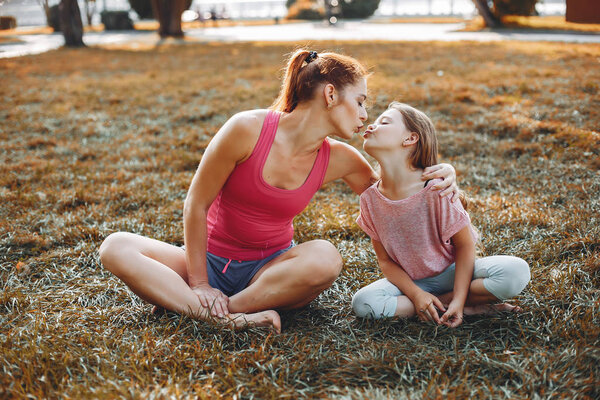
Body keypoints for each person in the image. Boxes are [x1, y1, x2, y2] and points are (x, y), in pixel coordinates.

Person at [99, 50, 458, 333]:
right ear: (330, 94)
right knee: (116, 247)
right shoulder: (246, 129)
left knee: (326, 257)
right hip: (208, 259)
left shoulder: (341, 159)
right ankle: (225, 317)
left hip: (270, 273)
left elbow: (395, 196)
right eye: (361, 101)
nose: (366, 113)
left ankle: (204, 306)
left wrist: (441, 175)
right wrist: (200, 282)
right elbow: (197, 202)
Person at [351, 102, 530, 327]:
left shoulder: (438, 188)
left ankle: (454, 303)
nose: (372, 125)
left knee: (516, 272)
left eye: (384, 122)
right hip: (411, 282)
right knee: (363, 303)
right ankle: (459, 307)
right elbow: (385, 262)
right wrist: (416, 295)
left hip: (452, 273)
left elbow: (465, 246)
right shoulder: (369, 199)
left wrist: (458, 297)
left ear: (410, 139)